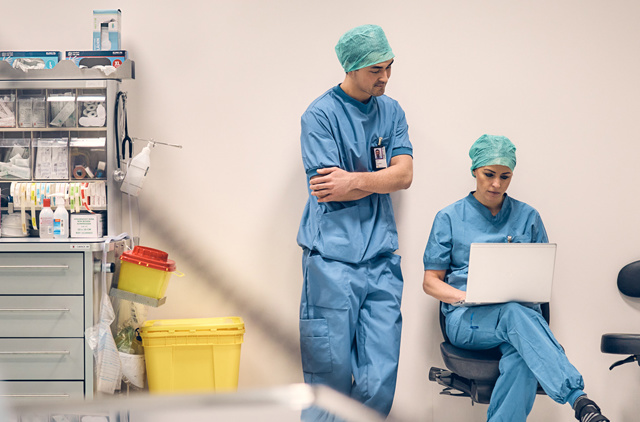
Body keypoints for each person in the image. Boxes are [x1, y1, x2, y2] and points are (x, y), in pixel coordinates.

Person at [422, 134, 609, 422]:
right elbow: (430, 282)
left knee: (521, 356)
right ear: (474, 171)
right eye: (489, 174)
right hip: (467, 320)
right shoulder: (449, 217)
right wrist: (466, 297)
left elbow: (540, 278)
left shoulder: (528, 217)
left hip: (520, 321)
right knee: (512, 315)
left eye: (505, 176)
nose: (496, 183)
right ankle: (579, 401)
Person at [297, 24, 413, 418]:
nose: (385, 77)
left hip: (381, 260)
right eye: (375, 70)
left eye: (389, 67)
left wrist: (355, 180)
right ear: (351, 68)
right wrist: (379, 181)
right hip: (330, 260)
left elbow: (405, 176)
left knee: (380, 378)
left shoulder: (392, 111)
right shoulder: (320, 115)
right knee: (328, 381)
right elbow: (330, 189)